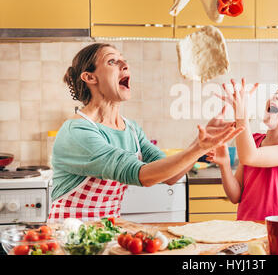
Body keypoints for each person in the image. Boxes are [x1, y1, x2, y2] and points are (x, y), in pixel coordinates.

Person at [48, 43, 243, 222]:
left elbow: (171, 176)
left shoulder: (131, 129)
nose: (125, 64)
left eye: (124, 60)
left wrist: (201, 143)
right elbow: (141, 175)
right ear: (90, 77)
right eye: (112, 61)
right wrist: (198, 148)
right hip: (70, 236)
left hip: (107, 233)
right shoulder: (77, 131)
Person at [207, 78, 278, 221]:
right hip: (245, 231)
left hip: (276, 233)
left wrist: (241, 114)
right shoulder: (254, 141)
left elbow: (250, 156)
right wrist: (225, 164)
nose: (277, 96)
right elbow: (236, 196)